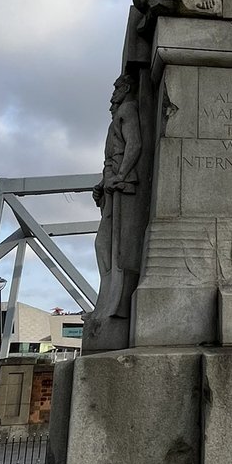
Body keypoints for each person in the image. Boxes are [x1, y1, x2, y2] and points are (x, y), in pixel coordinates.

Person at [91, 74, 143, 325]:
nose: (113, 92)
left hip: (123, 184)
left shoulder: (128, 109)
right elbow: (108, 159)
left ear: (126, 88)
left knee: (119, 248)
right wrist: (103, 183)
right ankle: (107, 300)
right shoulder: (117, 115)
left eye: (117, 88)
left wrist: (121, 175)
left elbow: (134, 143)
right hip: (112, 185)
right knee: (104, 245)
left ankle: (116, 304)